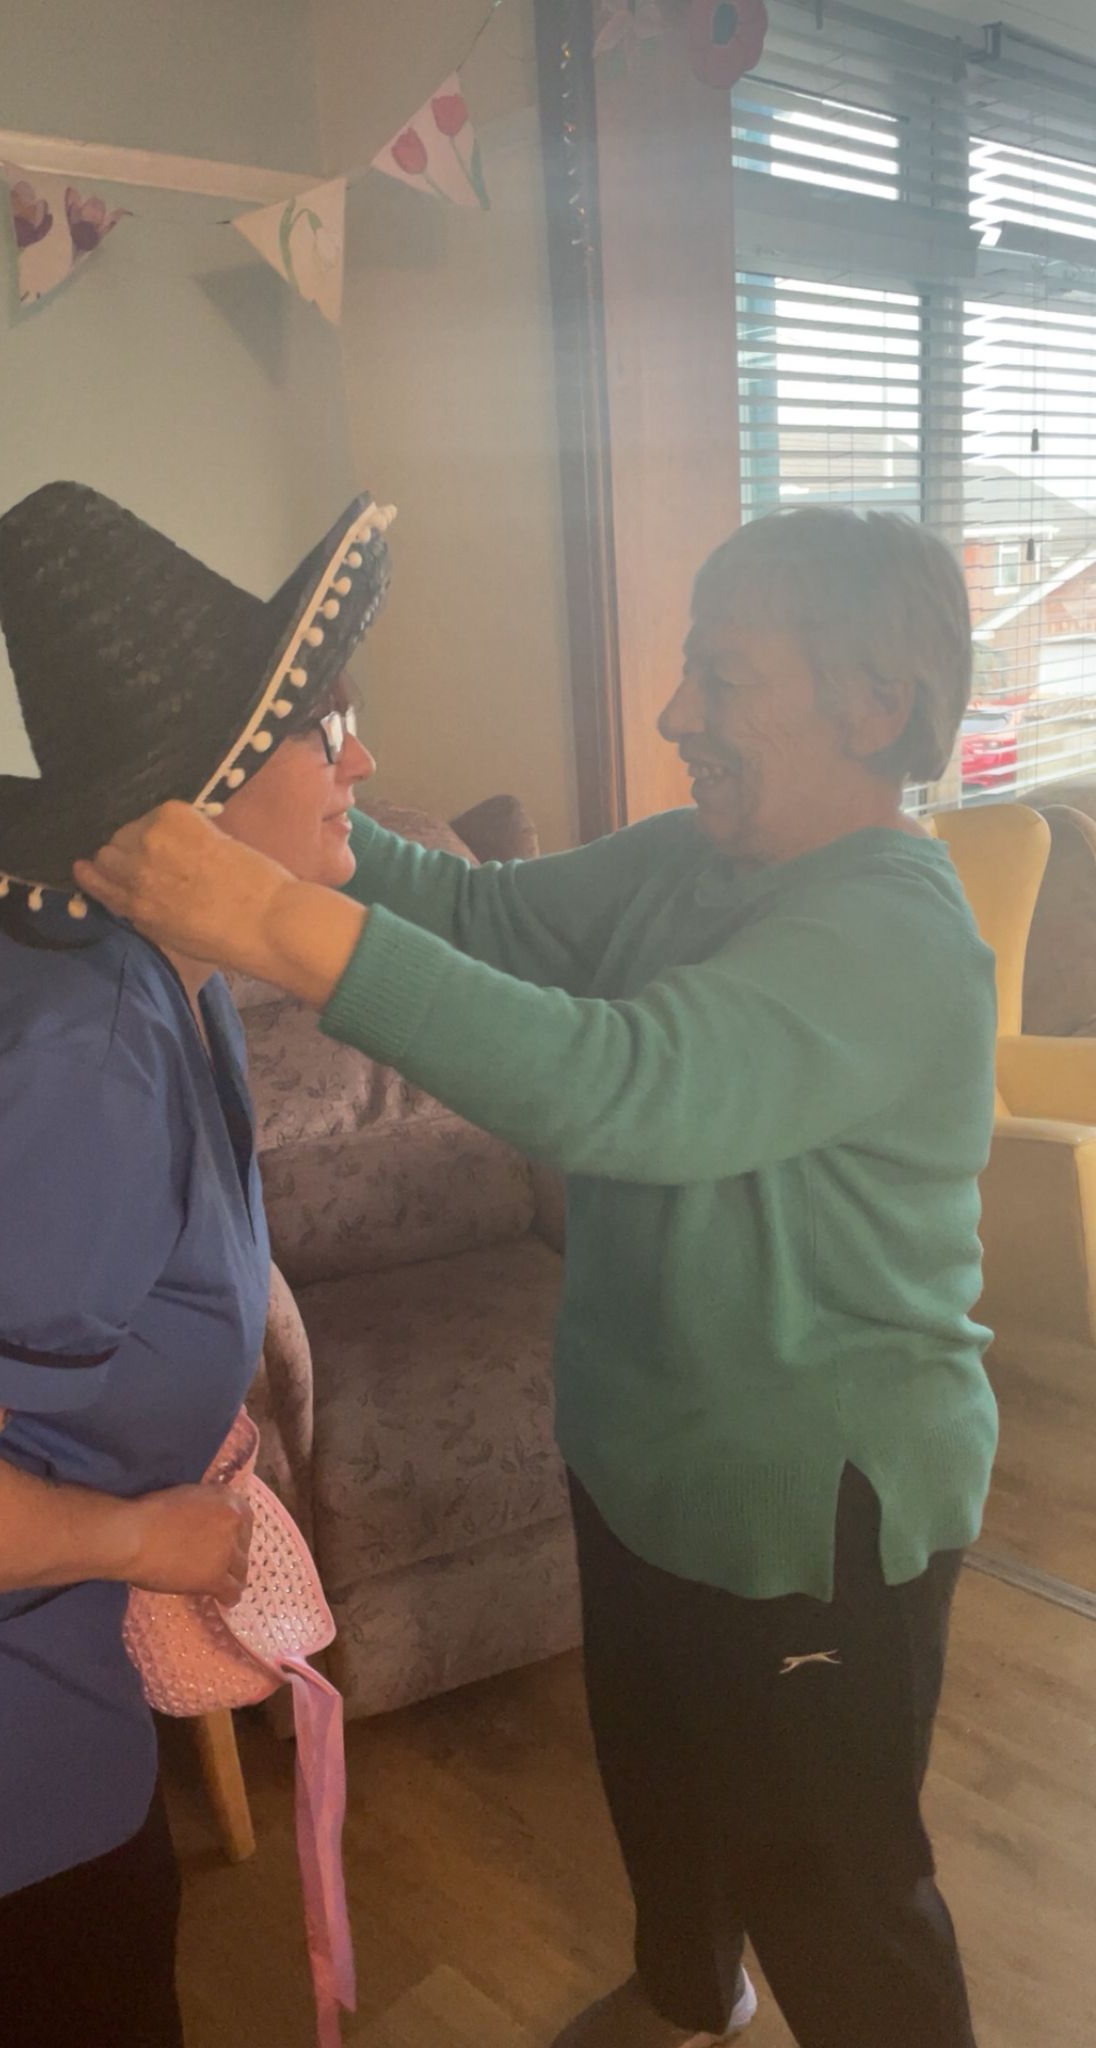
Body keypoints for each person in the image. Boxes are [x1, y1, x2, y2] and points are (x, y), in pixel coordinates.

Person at [77, 506, 995, 2048]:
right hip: (644, 1462)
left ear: (873, 705)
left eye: (721, 675)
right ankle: (688, 1992)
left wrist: (269, 918)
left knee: (838, 1880)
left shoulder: (894, 930)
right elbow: (487, 918)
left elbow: (621, 1085)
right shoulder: (689, 860)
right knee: (663, 1776)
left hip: (817, 1510)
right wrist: (297, 822)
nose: (676, 712)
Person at [0, 478, 390, 2048]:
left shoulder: (157, 976)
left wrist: (233, 1301)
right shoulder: (76, 1055)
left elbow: (113, 1239)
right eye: (326, 732)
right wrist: (155, 1537)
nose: (365, 764)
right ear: (201, 804)